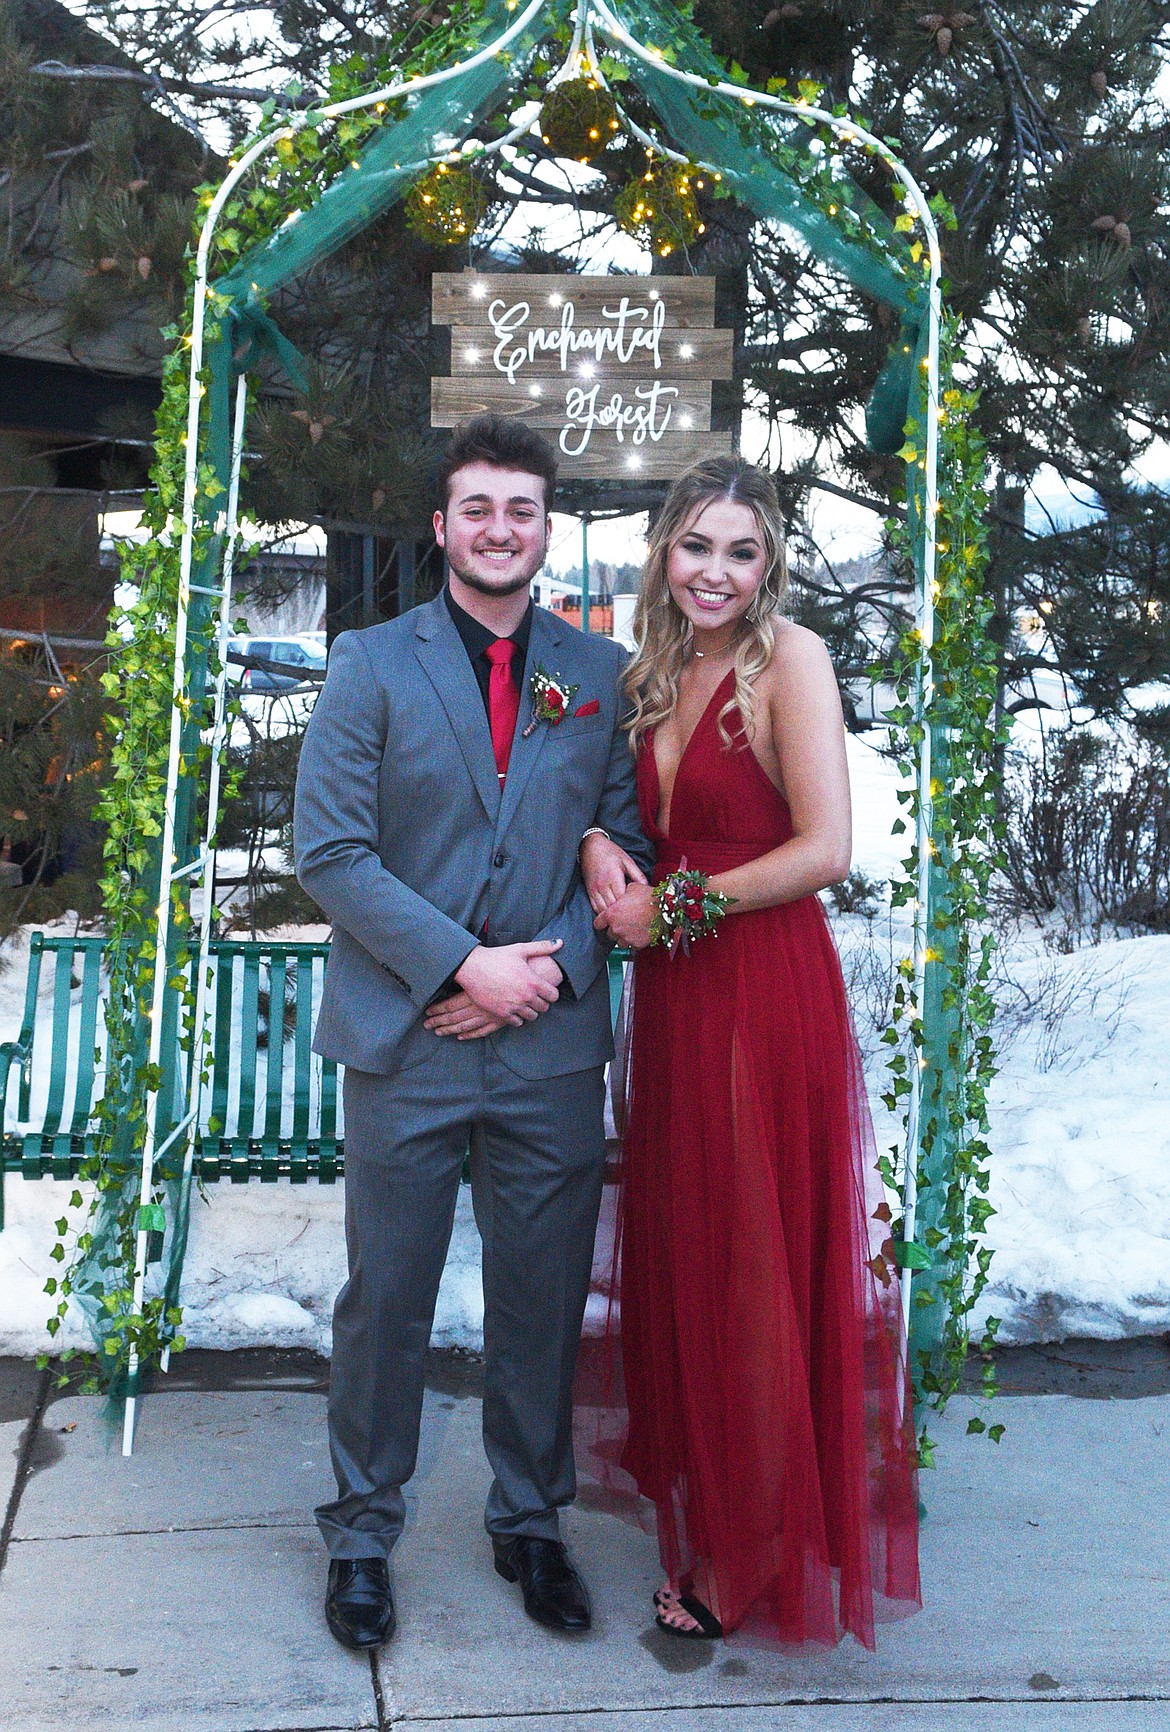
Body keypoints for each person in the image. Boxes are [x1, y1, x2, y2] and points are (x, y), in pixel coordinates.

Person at [294, 413, 652, 1650]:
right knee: (385, 1297)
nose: (501, 529)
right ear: (442, 525)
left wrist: (537, 976)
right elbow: (329, 852)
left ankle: (530, 1519)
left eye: (523, 510)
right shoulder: (368, 664)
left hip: (547, 1046)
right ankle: (359, 1531)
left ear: (548, 529)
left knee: (540, 1298)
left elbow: (624, 854)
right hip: (409, 1038)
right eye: (479, 509)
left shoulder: (597, 676)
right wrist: (461, 965)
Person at [580, 454, 921, 1648]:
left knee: (756, 1256)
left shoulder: (793, 661)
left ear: (768, 562)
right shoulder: (658, 670)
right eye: (696, 545)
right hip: (678, 995)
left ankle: (761, 1536)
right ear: (663, 553)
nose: (717, 570)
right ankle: (726, 1485)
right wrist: (596, 850)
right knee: (696, 1242)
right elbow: (624, 816)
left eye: (742, 549)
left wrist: (673, 911)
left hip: (758, 980)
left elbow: (827, 847)